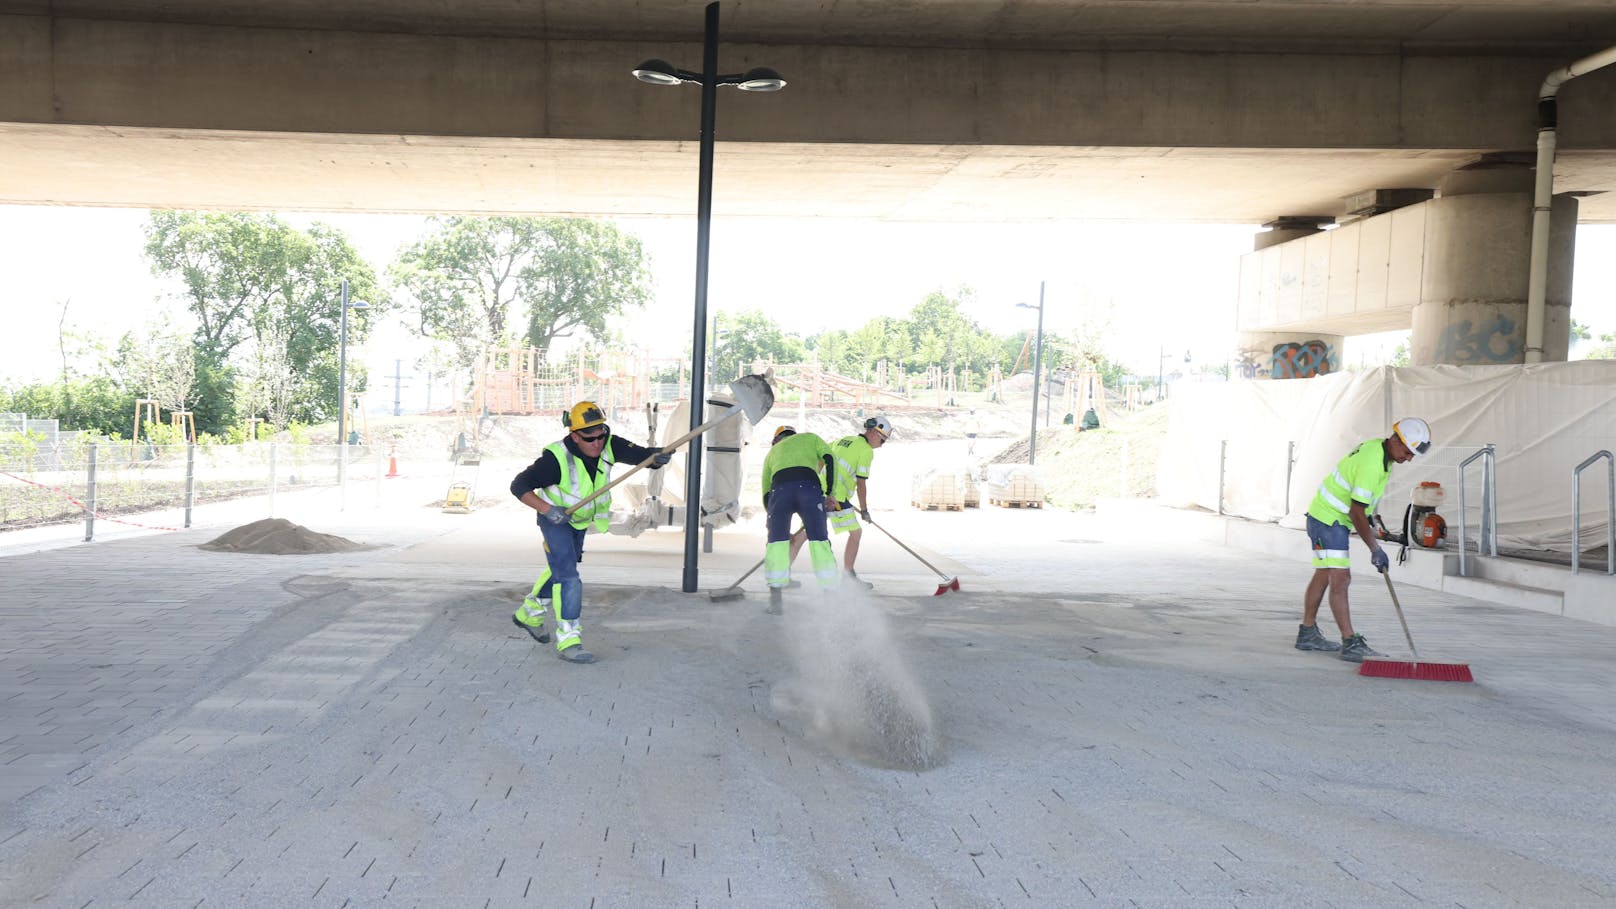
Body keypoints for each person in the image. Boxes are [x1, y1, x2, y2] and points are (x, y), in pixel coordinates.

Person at [510, 400, 671, 664]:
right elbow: (519, 485)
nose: (598, 443)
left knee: (561, 568)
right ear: (575, 435)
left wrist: (657, 457)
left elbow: (642, 456)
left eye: (601, 435)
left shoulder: (609, 442)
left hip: (579, 520)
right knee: (569, 578)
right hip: (556, 520)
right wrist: (548, 510)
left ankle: (529, 613)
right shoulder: (555, 458)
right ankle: (569, 639)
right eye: (590, 439)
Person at [1297, 417, 1431, 662]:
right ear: (1395, 439)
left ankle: (1307, 633)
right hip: (1329, 522)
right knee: (1341, 578)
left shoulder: (1379, 451)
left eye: (1412, 454)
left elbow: (1360, 505)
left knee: (1324, 574)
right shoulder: (1374, 463)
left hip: (1324, 517)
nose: (1409, 458)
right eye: (1407, 451)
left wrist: (1369, 517)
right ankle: (1349, 642)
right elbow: (1355, 511)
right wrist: (1374, 548)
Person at [790, 415, 892, 589]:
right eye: (883, 441)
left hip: (817, 492)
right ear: (875, 433)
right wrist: (865, 509)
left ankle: (781, 574)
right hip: (836, 498)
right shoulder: (866, 451)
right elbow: (861, 483)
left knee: (803, 534)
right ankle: (848, 576)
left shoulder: (844, 440)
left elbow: (822, 459)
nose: (881, 445)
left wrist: (823, 481)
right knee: (856, 533)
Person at [760, 426, 839, 614]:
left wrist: (772, 520)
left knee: (777, 544)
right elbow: (830, 458)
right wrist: (830, 493)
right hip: (809, 489)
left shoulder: (772, 453)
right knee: (819, 541)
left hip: (779, 493)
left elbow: (765, 491)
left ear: (776, 440)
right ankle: (831, 598)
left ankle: (776, 602)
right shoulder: (810, 438)